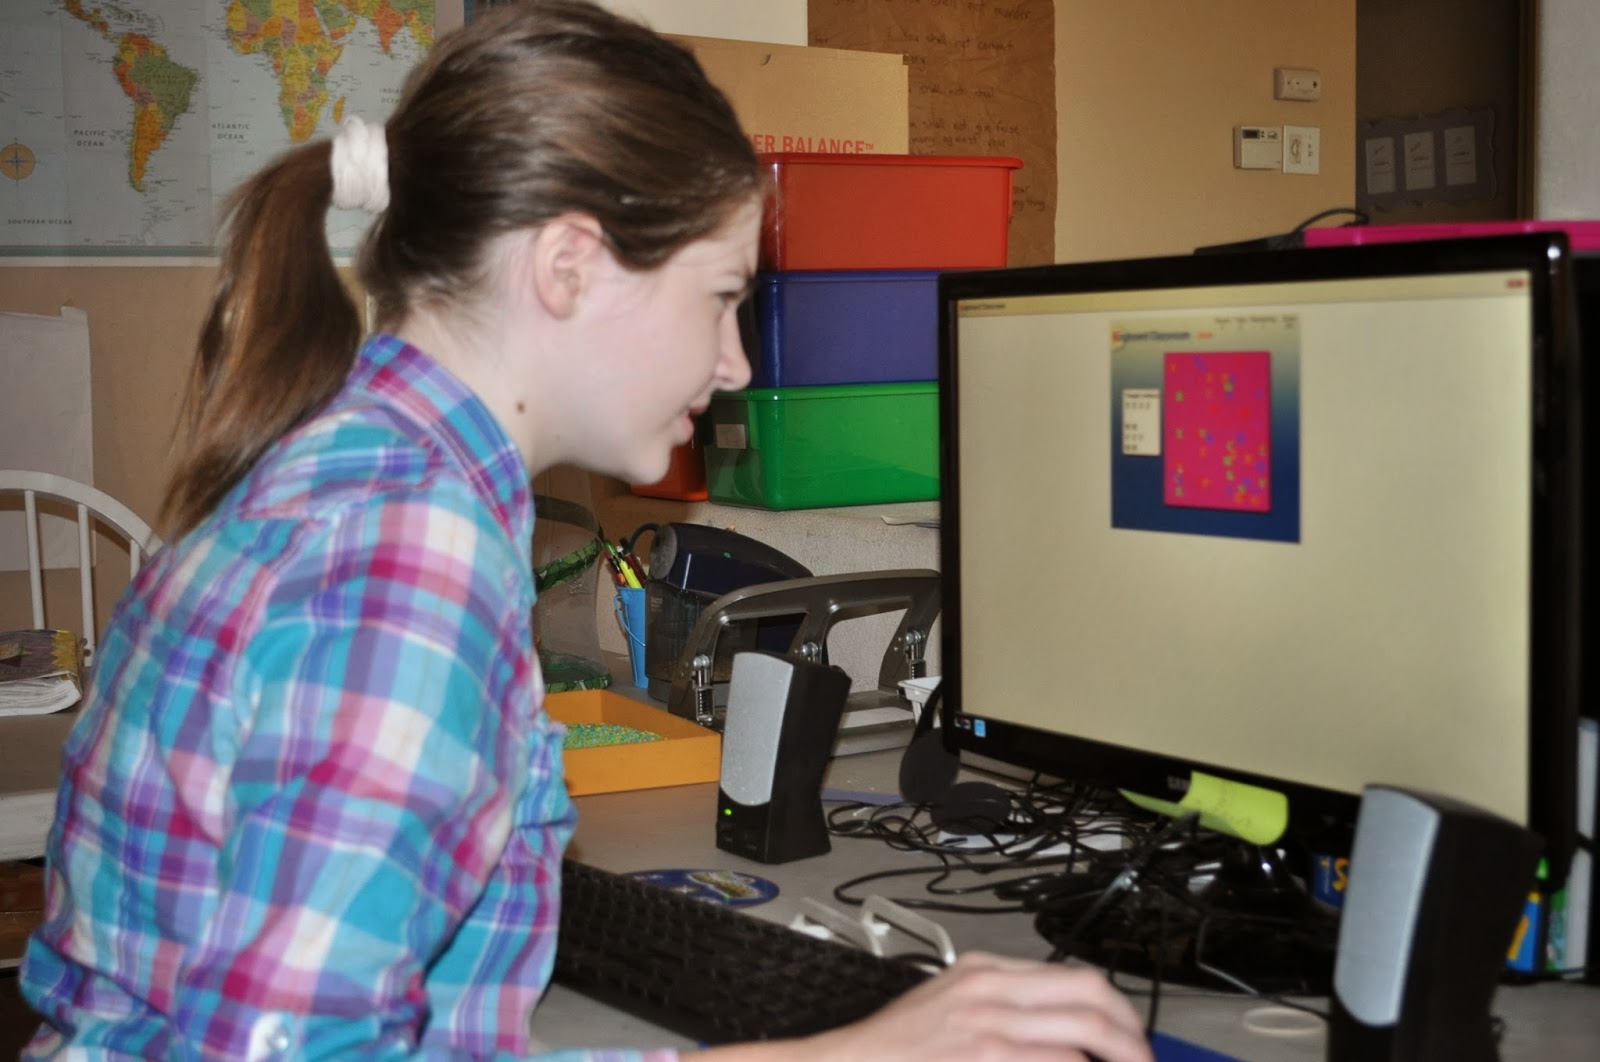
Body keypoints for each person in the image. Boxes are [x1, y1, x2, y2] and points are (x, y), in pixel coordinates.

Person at [19, 3, 1155, 1060]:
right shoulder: (402, 559)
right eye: (721, 297)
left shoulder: (342, 464)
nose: (736, 365)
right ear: (567, 266)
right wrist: (849, 1052)